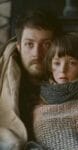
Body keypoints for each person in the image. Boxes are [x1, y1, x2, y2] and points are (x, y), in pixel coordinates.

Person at [0, 9, 61, 149]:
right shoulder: (3, 75)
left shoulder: (72, 78)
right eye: (29, 44)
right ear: (19, 46)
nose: (37, 53)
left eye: (46, 44)